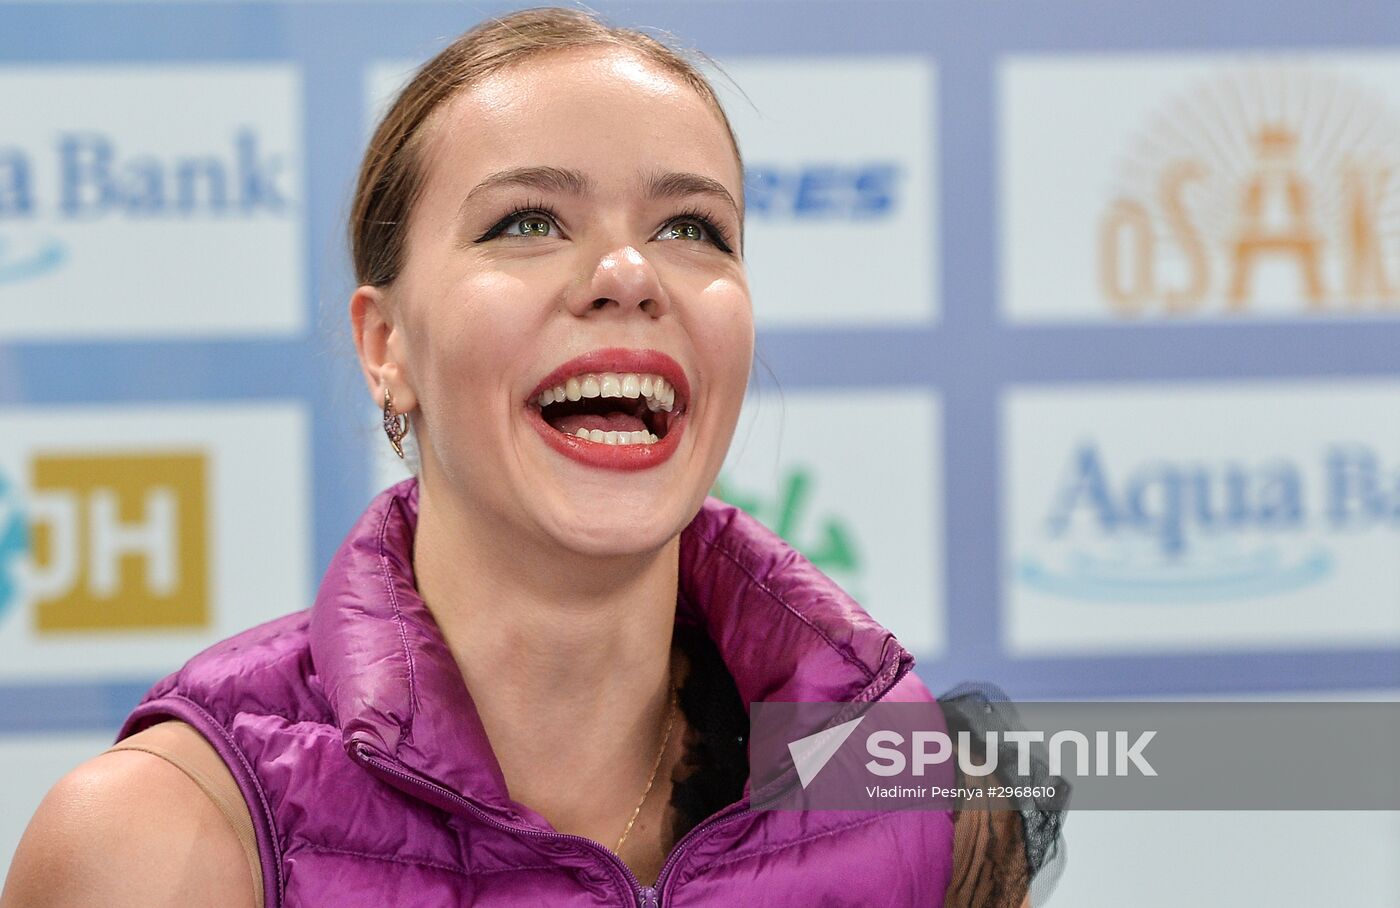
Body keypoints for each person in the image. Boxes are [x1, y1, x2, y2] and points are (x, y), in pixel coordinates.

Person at [1, 8, 1060, 906]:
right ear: (387, 347)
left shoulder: (915, 793)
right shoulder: (160, 839)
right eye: (526, 220)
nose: (627, 271)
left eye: (693, 226)